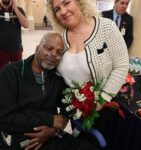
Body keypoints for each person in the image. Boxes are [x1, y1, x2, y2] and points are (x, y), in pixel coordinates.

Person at [46, 0, 129, 148]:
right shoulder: (60, 37)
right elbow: (56, 76)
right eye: (57, 9)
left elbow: (121, 65)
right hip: (76, 111)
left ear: (79, 2)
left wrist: (102, 99)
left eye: (66, 3)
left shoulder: (106, 27)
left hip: (106, 108)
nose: (63, 11)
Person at [0, 32, 99, 150]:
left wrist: (53, 130)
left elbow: (66, 108)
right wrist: (50, 119)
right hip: (20, 138)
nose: (53, 54)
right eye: (49, 48)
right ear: (37, 48)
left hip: (50, 136)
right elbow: (5, 119)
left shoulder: (57, 78)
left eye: (59, 52)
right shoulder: (11, 73)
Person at [0, 0, 29, 69]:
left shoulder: (19, 9)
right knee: (2, 72)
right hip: (1, 50)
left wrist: (15, 9)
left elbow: (26, 25)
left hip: (16, 49)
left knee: (17, 72)